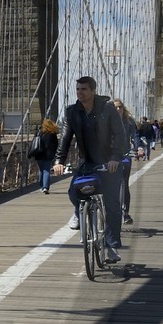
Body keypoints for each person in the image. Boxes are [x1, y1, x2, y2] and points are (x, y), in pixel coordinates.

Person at [53, 75, 130, 263]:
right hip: (86, 162)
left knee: (112, 205)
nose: (80, 92)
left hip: (109, 163)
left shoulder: (108, 109)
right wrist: (58, 161)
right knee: (73, 192)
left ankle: (111, 247)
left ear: (93, 91)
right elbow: (64, 139)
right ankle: (79, 211)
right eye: (78, 89)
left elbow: (120, 136)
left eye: (84, 89)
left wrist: (115, 158)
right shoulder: (72, 112)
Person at [27, 117, 60, 193]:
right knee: (46, 170)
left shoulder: (39, 132)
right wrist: (55, 154)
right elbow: (56, 145)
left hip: (39, 154)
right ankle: (45, 187)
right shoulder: (52, 134)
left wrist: (30, 153)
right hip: (48, 155)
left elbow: (33, 143)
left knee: (41, 170)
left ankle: (42, 186)